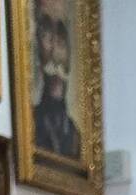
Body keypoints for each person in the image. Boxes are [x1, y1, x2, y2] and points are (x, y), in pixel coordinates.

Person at [31, 1, 81, 165]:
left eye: (60, 37)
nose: (54, 50)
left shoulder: (74, 134)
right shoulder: (31, 122)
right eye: (46, 34)